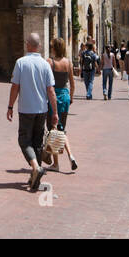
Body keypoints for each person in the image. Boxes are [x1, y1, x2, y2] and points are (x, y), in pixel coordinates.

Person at [7, 34, 57, 192]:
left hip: (26, 108)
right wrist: (54, 112)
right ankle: (36, 175)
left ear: (27, 44)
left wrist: (10, 106)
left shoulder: (21, 63)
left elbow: (15, 86)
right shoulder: (45, 64)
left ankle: (35, 167)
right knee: (37, 142)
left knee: (24, 140)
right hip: (41, 109)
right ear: (39, 46)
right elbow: (51, 90)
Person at [47, 38, 78, 171]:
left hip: (53, 97)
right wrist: (70, 97)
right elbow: (72, 83)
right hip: (65, 97)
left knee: (53, 130)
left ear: (54, 48)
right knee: (61, 129)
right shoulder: (68, 63)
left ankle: (56, 163)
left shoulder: (50, 62)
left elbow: (46, 82)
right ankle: (71, 156)